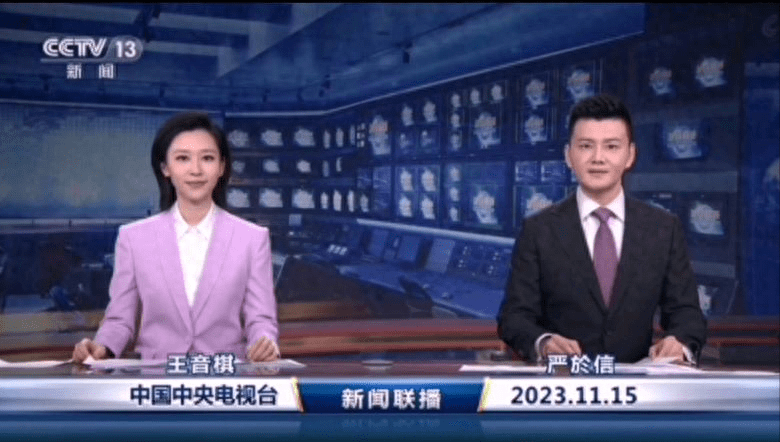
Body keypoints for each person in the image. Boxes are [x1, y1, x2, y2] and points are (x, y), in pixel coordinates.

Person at [498, 94, 706, 364]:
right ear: (568, 155)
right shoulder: (539, 230)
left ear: (630, 155)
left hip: (637, 384)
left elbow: (687, 314)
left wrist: (679, 343)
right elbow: (514, 317)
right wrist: (544, 342)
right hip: (564, 383)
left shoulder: (663, 229)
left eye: (611, 146)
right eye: (586, 146)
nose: (598, 158)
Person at [72, 112, 279, 363]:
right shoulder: (133, 239)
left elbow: (261, 319)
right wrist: (102, 347)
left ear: (222, 167)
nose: (196, 170)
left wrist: (264, 344)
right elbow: (120, 320)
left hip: (224, 375)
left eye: (207, 158)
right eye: (182, 158)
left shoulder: (252, 239)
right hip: (157, 377)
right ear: (165, 168)